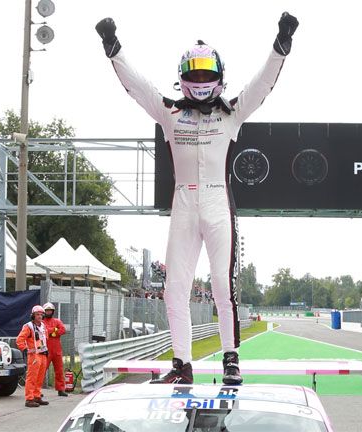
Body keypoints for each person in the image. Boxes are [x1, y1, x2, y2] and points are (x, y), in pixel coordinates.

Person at [95, 12, 298, 385]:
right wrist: (114, 50)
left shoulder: (233, 113)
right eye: (195, 74)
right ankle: (182, 365)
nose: (202, 80)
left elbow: (262, 84)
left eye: (208, 74)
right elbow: (139, 87)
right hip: (183, 207)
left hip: (219, 204)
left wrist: (280, 44)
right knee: (175, 289)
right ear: (183, 77)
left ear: (220, 76)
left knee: (222, 284)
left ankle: (231, 360)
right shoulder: (170, 112)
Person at [16, 305, 50, 407]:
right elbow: (19, 340)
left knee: (40, 377)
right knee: (32, 377)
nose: (39, 316)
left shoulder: (43, 326)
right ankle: (29, 398)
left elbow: (45, 338)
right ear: (33, 316)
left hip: (43, 354)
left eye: (41, 315)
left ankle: (37, 396)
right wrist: (25, 349)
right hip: (34, 355)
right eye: (37, 314)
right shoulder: (28, 327)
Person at [41, 302, 67, 396]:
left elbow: (63, 330)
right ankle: (37, 391)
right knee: (42, 370)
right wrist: (55, 330)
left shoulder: (57, 321)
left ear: (53, 311)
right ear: (44, 312)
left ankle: (61, 389)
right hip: (45, 350)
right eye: (46, 310)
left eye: (50, 310)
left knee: (59, 370)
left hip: (57, 350)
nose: (48, 312)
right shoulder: (41, 322)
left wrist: (53, 332)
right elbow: (44, 331)